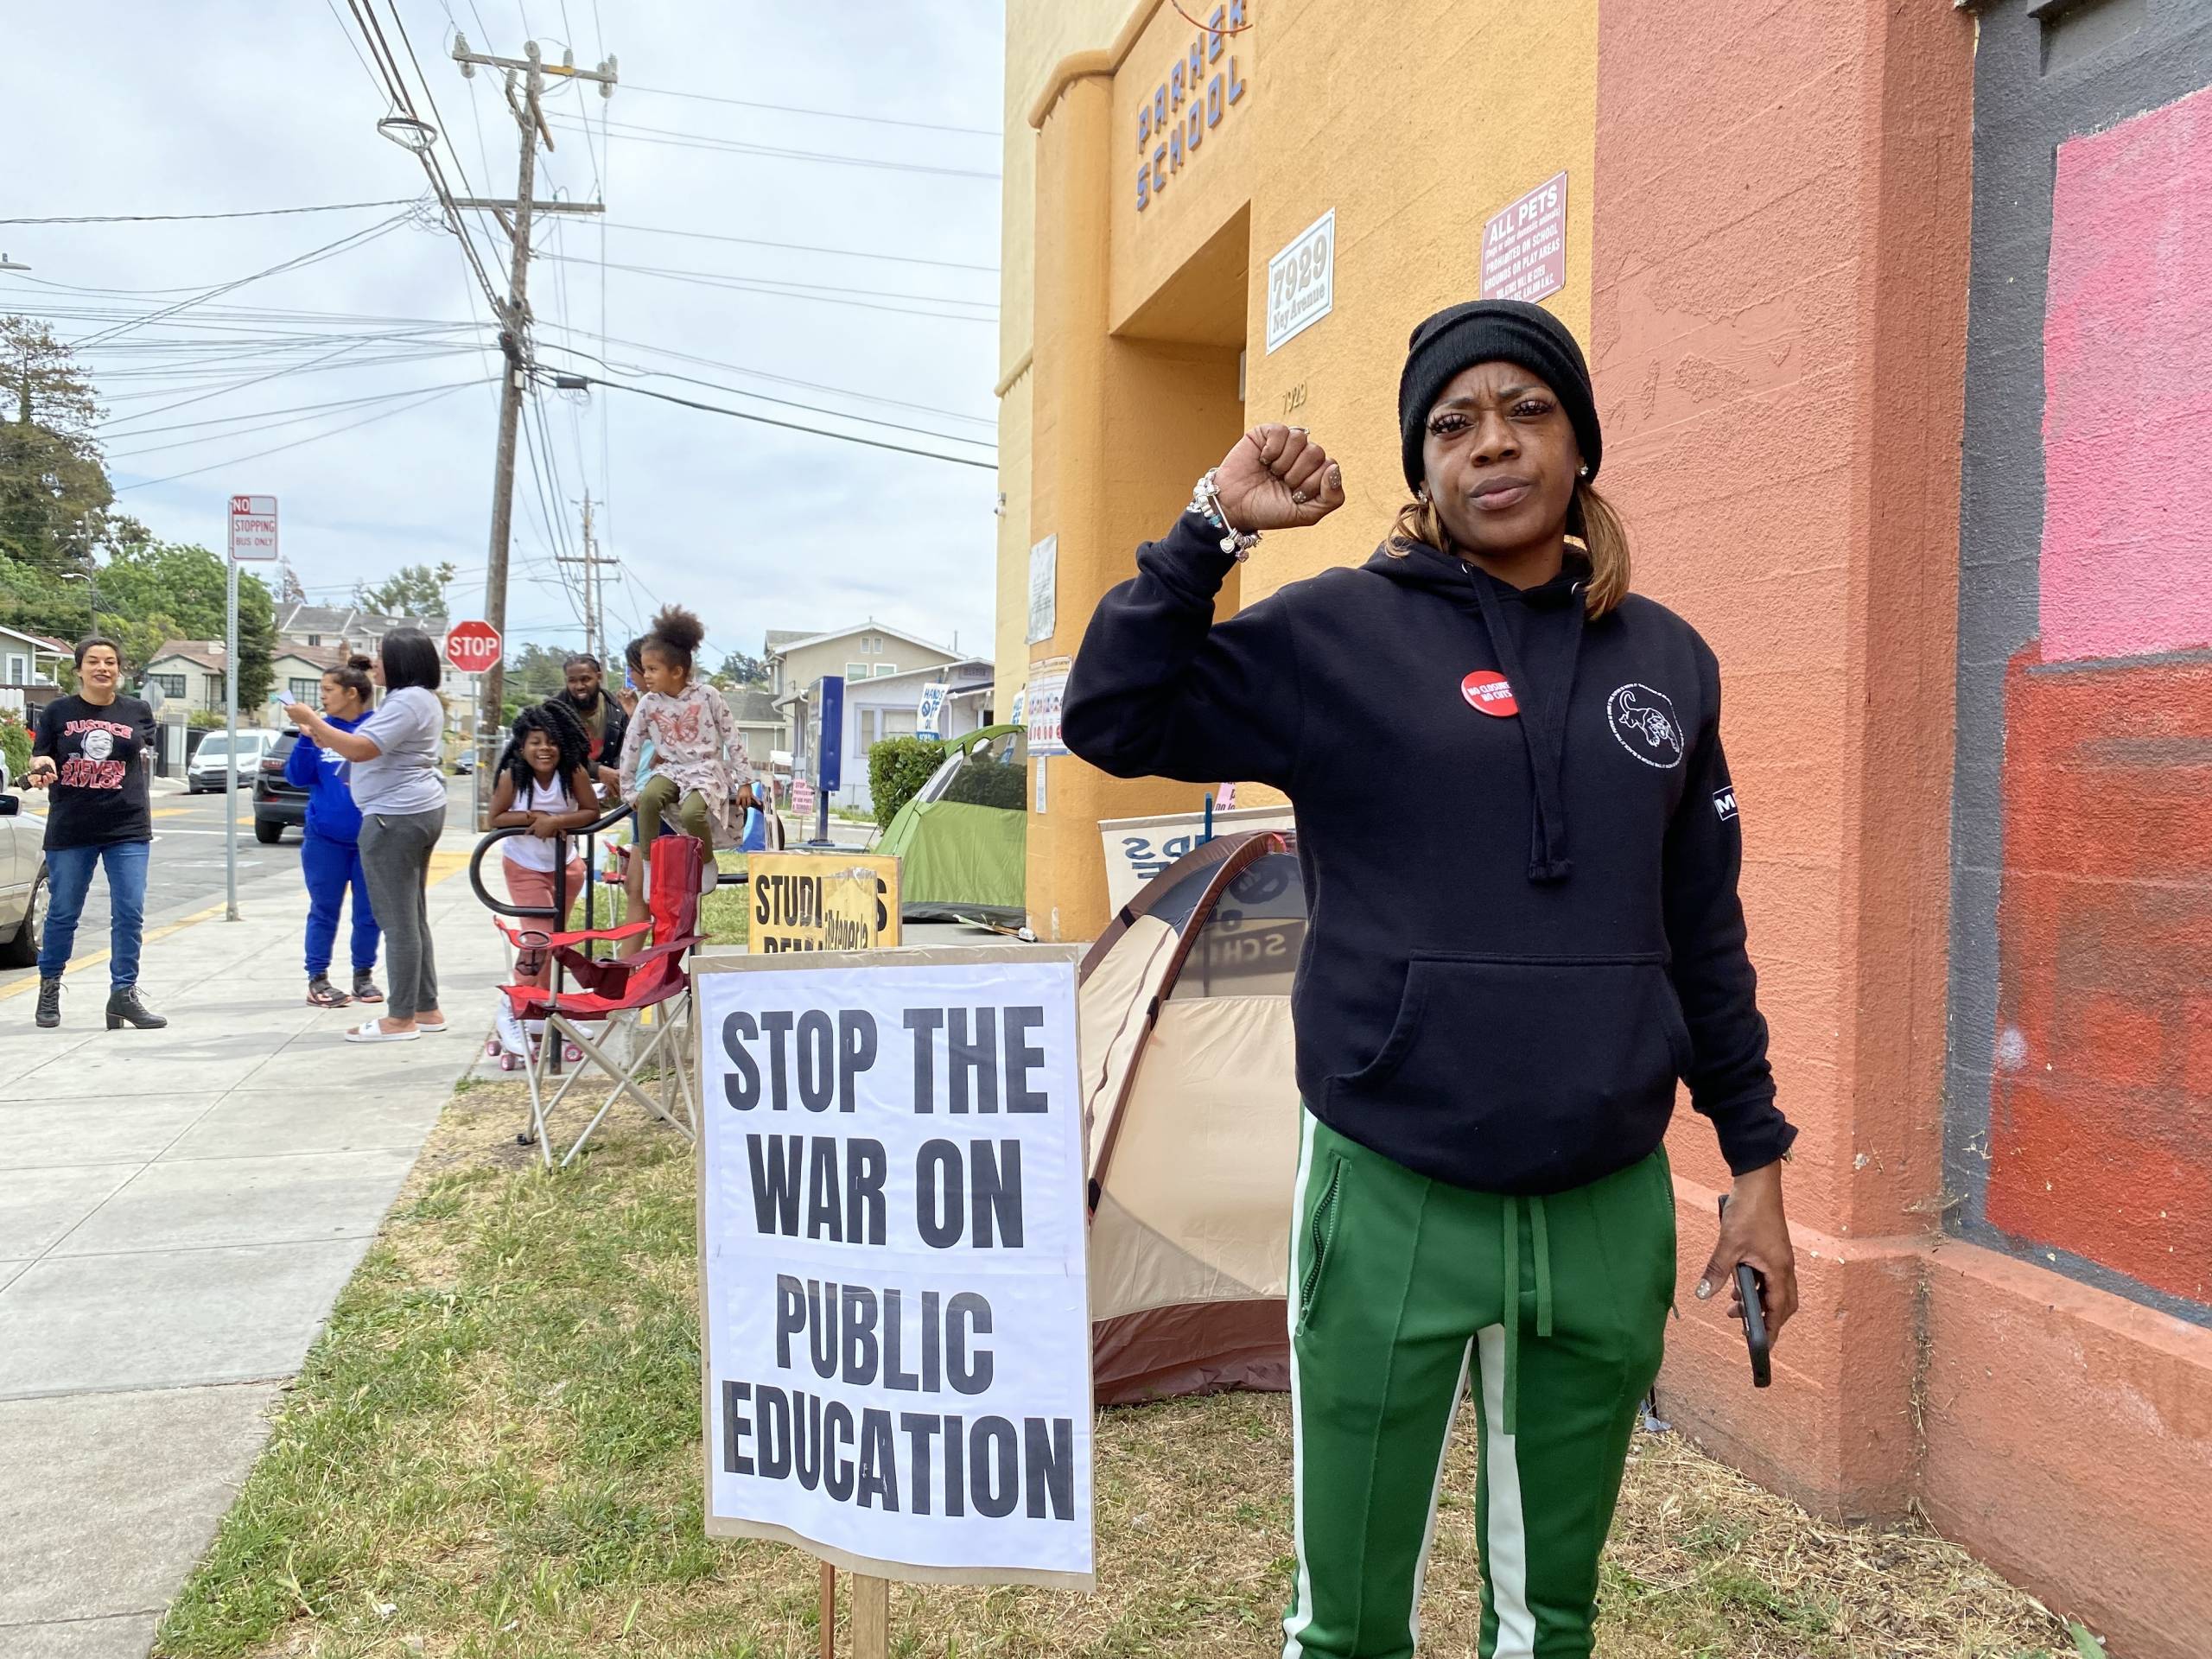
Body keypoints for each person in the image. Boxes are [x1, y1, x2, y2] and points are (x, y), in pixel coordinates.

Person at [1062, 299, 1800, 1659]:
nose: (1492, 444)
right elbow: (1111, 714)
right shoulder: (1341, 635)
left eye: (1527, 410)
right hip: (1392, 1188)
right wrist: (1212, 529)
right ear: (1423, 471)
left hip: (1602, 1202)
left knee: (1551, 1616)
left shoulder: (1670, 665)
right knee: (1347, 1623)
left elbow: (1705, 929)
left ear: (1580, 444)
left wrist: (1754, 1165)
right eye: (1452, 425)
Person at [285, 628, 448, 1044]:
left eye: (381, 656)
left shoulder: (408, 700)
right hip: (413, 810)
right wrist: (318, 730)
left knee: (397, 921)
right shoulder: (418, 699)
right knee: (411, 915)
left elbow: (361, 749)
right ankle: (426, 1008)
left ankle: (401, 1017)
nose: (374, 663)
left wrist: (311, 720)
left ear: (400, 662)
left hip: (394, 817)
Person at [23, 635, 165, 1031]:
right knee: (64, 913)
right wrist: (42, 765)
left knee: (130, 913)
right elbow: (40, 754)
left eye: (110, 662)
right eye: (93, 661)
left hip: (128, 825)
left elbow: (141, 751)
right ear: (79, 668)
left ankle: (123, 994)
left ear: (119, 669)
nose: (102, 668)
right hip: (71, 827)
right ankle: (49, 988)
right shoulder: (57, 711)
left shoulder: (137, 710)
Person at [616, 606, 751, 891]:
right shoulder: (648, 703)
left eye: (653, 669)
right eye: (644, 669)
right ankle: (650, 865)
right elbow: (632, 744)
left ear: (677, 671)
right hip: (670, 769)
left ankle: (706, 861)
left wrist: (745, 782)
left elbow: (732, 737)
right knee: (649, 800)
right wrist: (628, 789)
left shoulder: (707, 696)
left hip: (705, 769)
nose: (646, 676)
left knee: (692, 813)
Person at [287, 655, 382, 1008]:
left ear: (352, 693)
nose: (322, 697)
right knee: (324, 909)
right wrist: (306, 740)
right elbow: (297, 777)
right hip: (324, 839)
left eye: (328, 690)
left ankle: (364, 976)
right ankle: (318, 978)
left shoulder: (376, 727)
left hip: (371, 839)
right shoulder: (319, 729)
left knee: (369, 912)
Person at [488, 700, 601, 989]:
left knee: (555, 937)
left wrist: (556, 821)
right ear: (522, 747)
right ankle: (516, 1008)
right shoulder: (512, 776)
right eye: (535, 742)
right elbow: (495, 818)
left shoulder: (572, 773)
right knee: (538, 938)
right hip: (524, 866)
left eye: (552, 742)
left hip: (566, 867)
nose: (544, 749)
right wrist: (532, 816)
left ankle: (544, 1016)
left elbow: (591, 811)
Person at [556, 651, 628, 791]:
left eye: (585, 679)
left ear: (599, 677)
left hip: (610, 789)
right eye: (572, 680)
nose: (579, 686)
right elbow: (555, 754)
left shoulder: (617, 710)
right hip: (565, 789)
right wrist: (597, 771)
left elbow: (626, 749)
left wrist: (617, 775)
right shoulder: (554, 712)